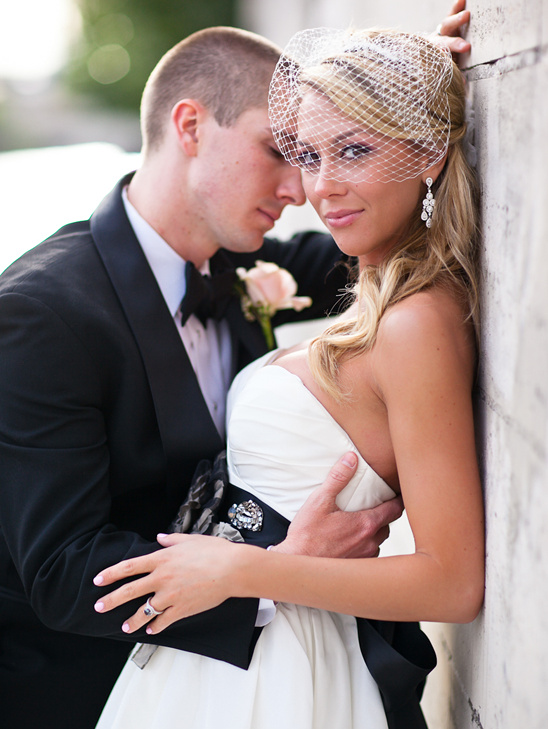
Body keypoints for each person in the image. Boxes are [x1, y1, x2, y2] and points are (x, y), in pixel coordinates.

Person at [0, 6, 471, 729]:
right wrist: (278, 563)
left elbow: (386, 235)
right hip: (89, 685)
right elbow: (65, 572)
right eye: (283, 151)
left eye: (324, 151)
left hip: (282, 671)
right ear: (189, 127)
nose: (302, 190)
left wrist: (408, 98)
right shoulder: (41, 313)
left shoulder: (241, 259)